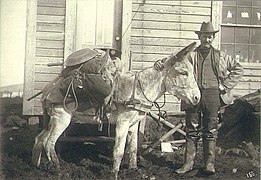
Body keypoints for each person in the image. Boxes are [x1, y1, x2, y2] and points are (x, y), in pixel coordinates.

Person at [154, 21, 244, 175]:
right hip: (193, 96)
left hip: (213, 96)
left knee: (211, 130)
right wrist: (160, 63)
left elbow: (238, 69)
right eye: (204, 36)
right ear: (200, 37)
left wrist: (225, 86)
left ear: (213, 38)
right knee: (192, 130)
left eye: (210, 37)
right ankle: (188, 164)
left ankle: (209, 164)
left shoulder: (221, 56)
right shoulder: (191, 55)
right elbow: (173, 60)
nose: (207, 39)